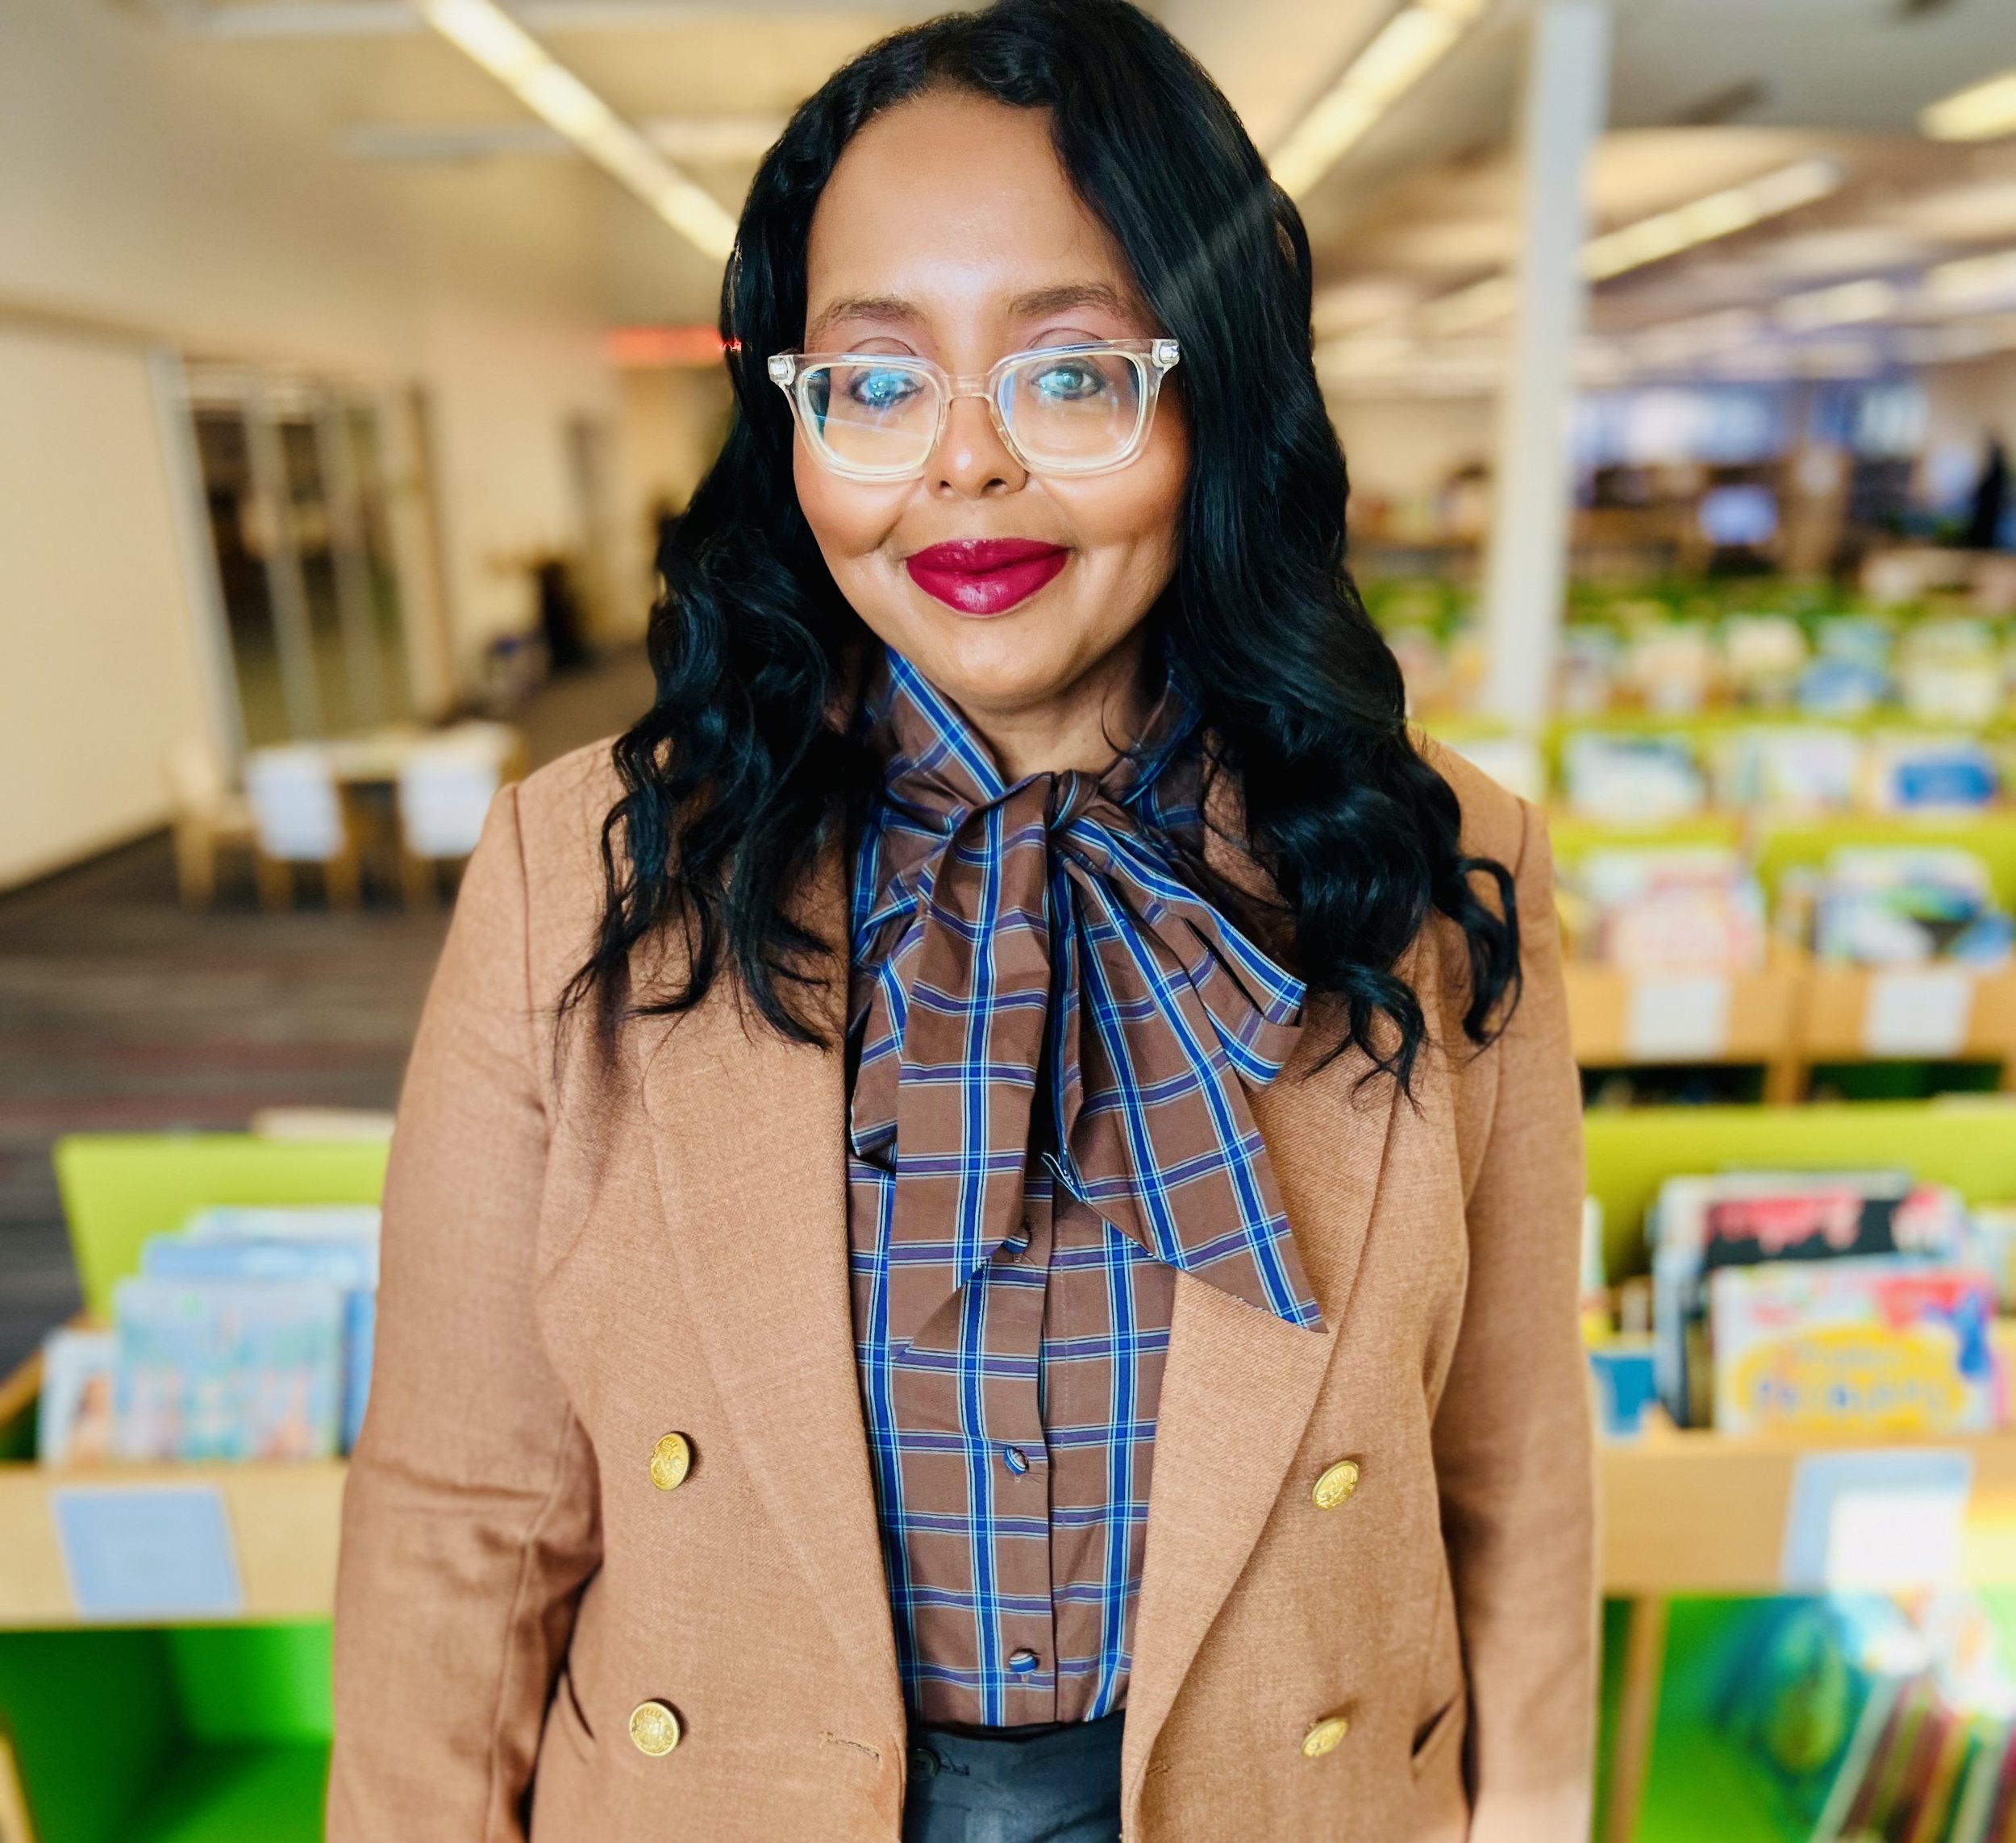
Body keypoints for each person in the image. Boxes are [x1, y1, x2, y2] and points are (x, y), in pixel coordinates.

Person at [326, 3, 1594, 1839]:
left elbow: (1509, 1455)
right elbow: (464, 1504)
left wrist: (1537, 1814)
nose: (966, 466)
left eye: (1070, 372)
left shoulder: (1424, 858)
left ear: (1209, 395)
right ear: (795, 417)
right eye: (874, 379)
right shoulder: (583, 867)